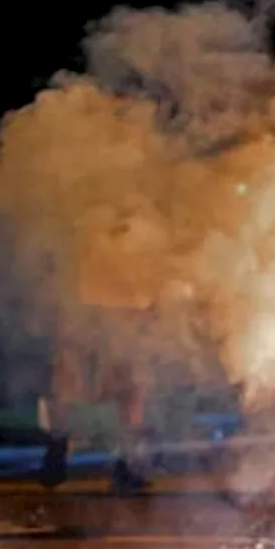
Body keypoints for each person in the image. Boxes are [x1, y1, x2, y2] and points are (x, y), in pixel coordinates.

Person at [39, 197, 166, 494]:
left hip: (108, 314)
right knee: (93, 388)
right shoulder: (103, 229)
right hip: (99, 314)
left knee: (122, 391)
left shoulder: (94, 227)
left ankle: (69, 457)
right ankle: (63, 456)